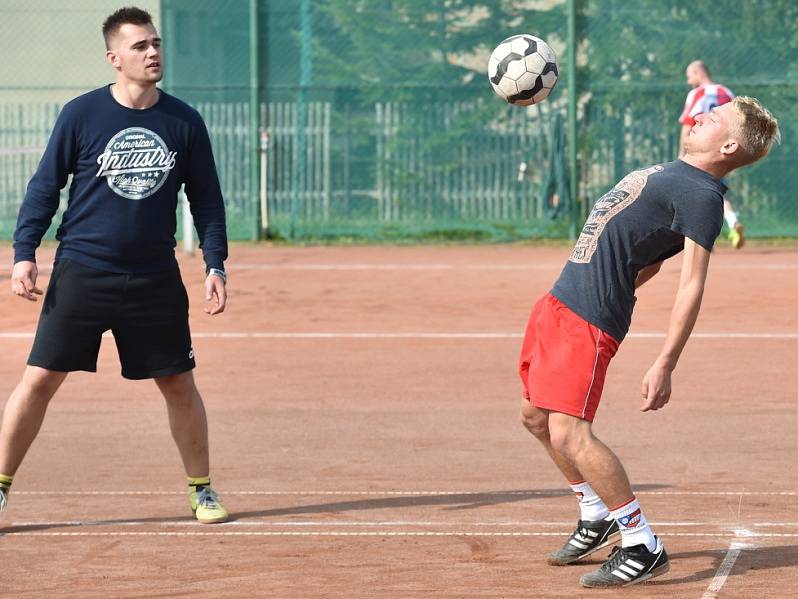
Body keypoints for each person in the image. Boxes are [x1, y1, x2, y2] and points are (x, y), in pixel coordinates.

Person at [519, 97, 779, 588]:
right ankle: (595, 514)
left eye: (715, 116)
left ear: (728, 144)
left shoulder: (703, 195)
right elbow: (652, 254)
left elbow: (691, 283)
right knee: (534, 417)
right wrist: (608, 279)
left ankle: (642, 544)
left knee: (571, 433)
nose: (700, 115)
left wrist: (665, 362)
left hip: (588, 319)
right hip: (560, 302)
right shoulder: (670, 173)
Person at [0, 7, 230, 524]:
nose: (153, 53)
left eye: (156, 43)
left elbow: (208, 200)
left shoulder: (183, 121)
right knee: (39, 380)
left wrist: (216, 263)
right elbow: (44, 188)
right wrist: (23, 254)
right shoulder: (81, 115)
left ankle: (203, 489)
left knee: (178, 383)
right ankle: (0, 486)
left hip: (153, 276)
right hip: (83, 269)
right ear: (114, 58)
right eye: (140, 46)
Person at [678, 60, 745, 248]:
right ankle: (732, 222)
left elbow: (687, 125)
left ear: (698, 73)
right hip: (722, 152)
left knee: (693, 194)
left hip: (699, 153)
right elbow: (737, 126)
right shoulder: (727, 93)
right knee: (717, 193)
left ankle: (700, 236)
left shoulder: (696, 94)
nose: (688, 81)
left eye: (689, 76)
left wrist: (681, 154)